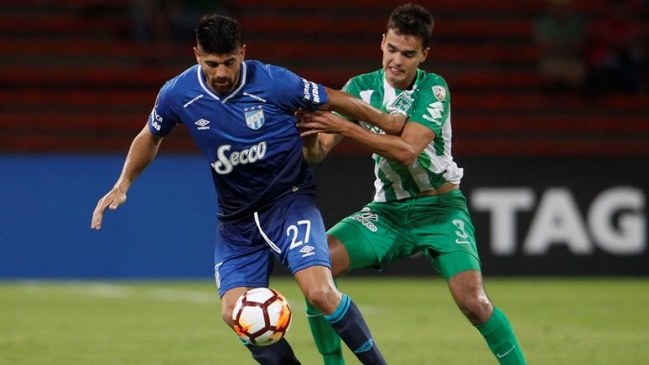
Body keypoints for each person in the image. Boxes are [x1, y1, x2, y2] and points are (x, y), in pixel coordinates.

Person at [91, 14, 405, 365]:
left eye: (229, 62)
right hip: (237, 221)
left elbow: (335, 99)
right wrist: (124, 183)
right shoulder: (178, 93)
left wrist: (386, 122)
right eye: (212, 64)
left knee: (319, 293)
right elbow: (150, 135)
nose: (222, 73)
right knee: (235, 315)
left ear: (243, 52)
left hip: (288, 202)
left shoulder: (274, 82)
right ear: (196, 55)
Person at [297, 4, 528, 365]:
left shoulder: (433, 89)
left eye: (408, 54)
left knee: (474, 304)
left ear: (424, 54)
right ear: (382, 43)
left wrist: (345, 127)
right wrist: (309, 131)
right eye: (392, 49)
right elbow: (317, 154)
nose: (397, 61)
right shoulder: (360, 87)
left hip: (440, 210)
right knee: (315, 268)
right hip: (387, 214)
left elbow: (406, 150)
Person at [532, 0, 587, 93]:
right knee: (549, 73)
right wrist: (566, 47)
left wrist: (557, 47)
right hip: (551, 60)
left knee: (578, 74)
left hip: (571, 61)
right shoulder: (544, 23)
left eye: (563, 7)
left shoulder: (577, 23)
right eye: (557, 7)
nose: (560, 10)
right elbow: (544, 47)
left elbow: (579, 46)